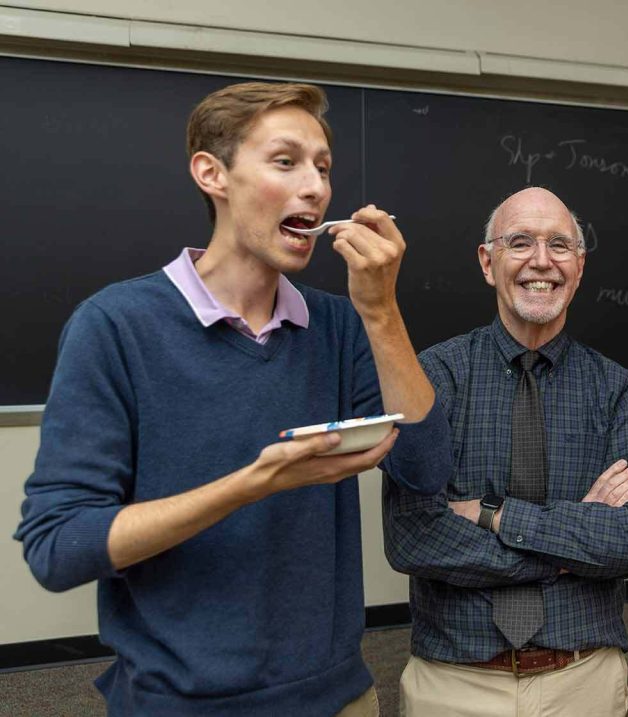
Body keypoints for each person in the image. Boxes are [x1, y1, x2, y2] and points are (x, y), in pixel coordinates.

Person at [14, 81, 451, 717]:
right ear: (211, 173)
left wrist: (380, 310)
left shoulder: (338, 325)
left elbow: (426, 467)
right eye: (285, 161)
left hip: (339, 699)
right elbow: (59, 548)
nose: (316, 188)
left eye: (323, 169)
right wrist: (250, 484)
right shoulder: (114, 326)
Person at [382, 187, 628, 716]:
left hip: (585, 677)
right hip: (455, 681)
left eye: (559, 244)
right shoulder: (432, 378)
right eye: (520, 242)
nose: (542, 261)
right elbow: (413, 538)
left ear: (579, 267)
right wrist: (572, 542)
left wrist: (494, 515)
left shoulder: (617, 388)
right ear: (488, 263)